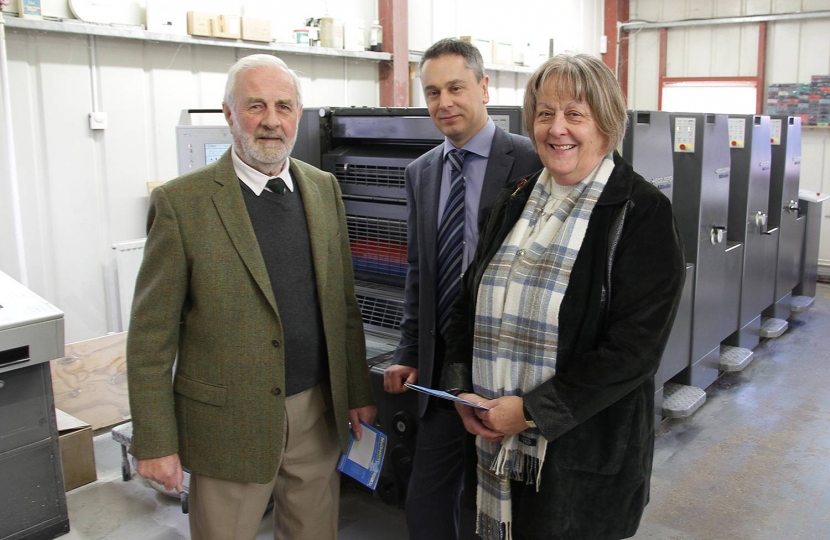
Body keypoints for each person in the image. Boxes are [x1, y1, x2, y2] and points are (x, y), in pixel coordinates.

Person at [126, 54, 376, 540]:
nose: (270, 120)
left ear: (298, 115)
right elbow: (150, 338)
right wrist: (155, 441)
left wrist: (358, 393)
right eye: (255, 105)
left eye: (283, 106)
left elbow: (343, 305)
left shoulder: (323, 189)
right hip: (228, 422)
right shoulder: (183, 204)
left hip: (315, 412)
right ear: (228, 113)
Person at [441, 53, 685, 540]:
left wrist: (530, 412)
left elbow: (633, 352)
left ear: (607, 122)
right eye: (545, 113)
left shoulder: (640, 213)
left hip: (583, 458)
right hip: (495, 442)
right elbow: (467, 303)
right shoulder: (515, 199)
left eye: (575, 113)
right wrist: (459, 385)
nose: (557, 129)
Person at [383, 38, 542, 540]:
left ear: (483, 86)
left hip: (512, 366)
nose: (444, 102)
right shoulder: (422, 172)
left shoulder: (531, 161)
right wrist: (410, 350)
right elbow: (418, 272)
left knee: (516, 502)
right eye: (432, 92)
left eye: (455, 87)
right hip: (441, 369)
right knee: (428, 502)